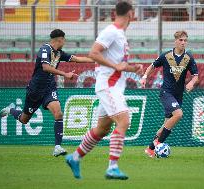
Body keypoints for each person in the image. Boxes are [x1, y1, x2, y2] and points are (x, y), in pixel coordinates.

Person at [65, 1, 143, 180]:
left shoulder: (121, 34)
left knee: (101, 130)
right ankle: (112, 168)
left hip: (113, 85)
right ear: (130, 13)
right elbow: (93, 53)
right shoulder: (111, 31)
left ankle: (74, 158)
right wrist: (117, 65)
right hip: (108, 85)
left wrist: (132, 68)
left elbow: (117, 65)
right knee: (124, 121)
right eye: (134, 13)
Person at [0, 29, 94, 157]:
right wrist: (65, 74)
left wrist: (95, 60)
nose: (64, 42)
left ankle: (57, 147)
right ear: (59, 39)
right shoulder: (45, 49)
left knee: (58, 113)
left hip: (49, 88)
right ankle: (11, 111)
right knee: (24, 119)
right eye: (64, 39)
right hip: (35, 90)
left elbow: (76, 58)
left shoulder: (59, 53)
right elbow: (45, 67)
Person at [140, 30, 199, 158]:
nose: (183, 43)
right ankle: (158, 143)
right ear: (175, 41)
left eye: (185, 40)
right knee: (178, 114)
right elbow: (152, 66)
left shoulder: (188, 58)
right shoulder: (166, 55)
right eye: (181, 40)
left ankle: (150, 149)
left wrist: (192, 83)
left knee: (167, 124)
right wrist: (144, 76)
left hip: (178, 95)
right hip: (166, 92)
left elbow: (196, 75)